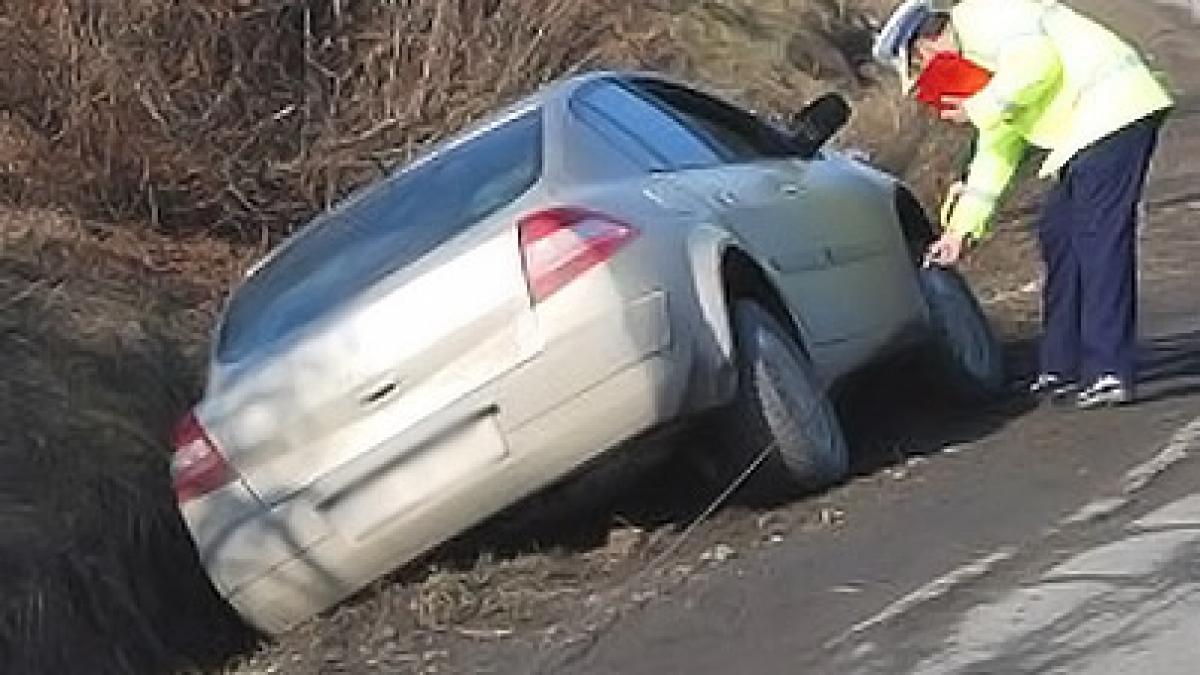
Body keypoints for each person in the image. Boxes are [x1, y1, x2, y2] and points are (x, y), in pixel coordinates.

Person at [873, 0, 1174, 409]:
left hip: (1115, 112)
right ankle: (1061, 366)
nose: (930, 79)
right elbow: (996, 152)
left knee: (1098, 241)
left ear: (926, 42)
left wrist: (977, 108)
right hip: (1085, 133)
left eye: (921, 65)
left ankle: (1109, 368)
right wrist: (961, 231)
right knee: (1059, 236)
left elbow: (1038, 66)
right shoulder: (988, 69)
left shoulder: (985, 18)